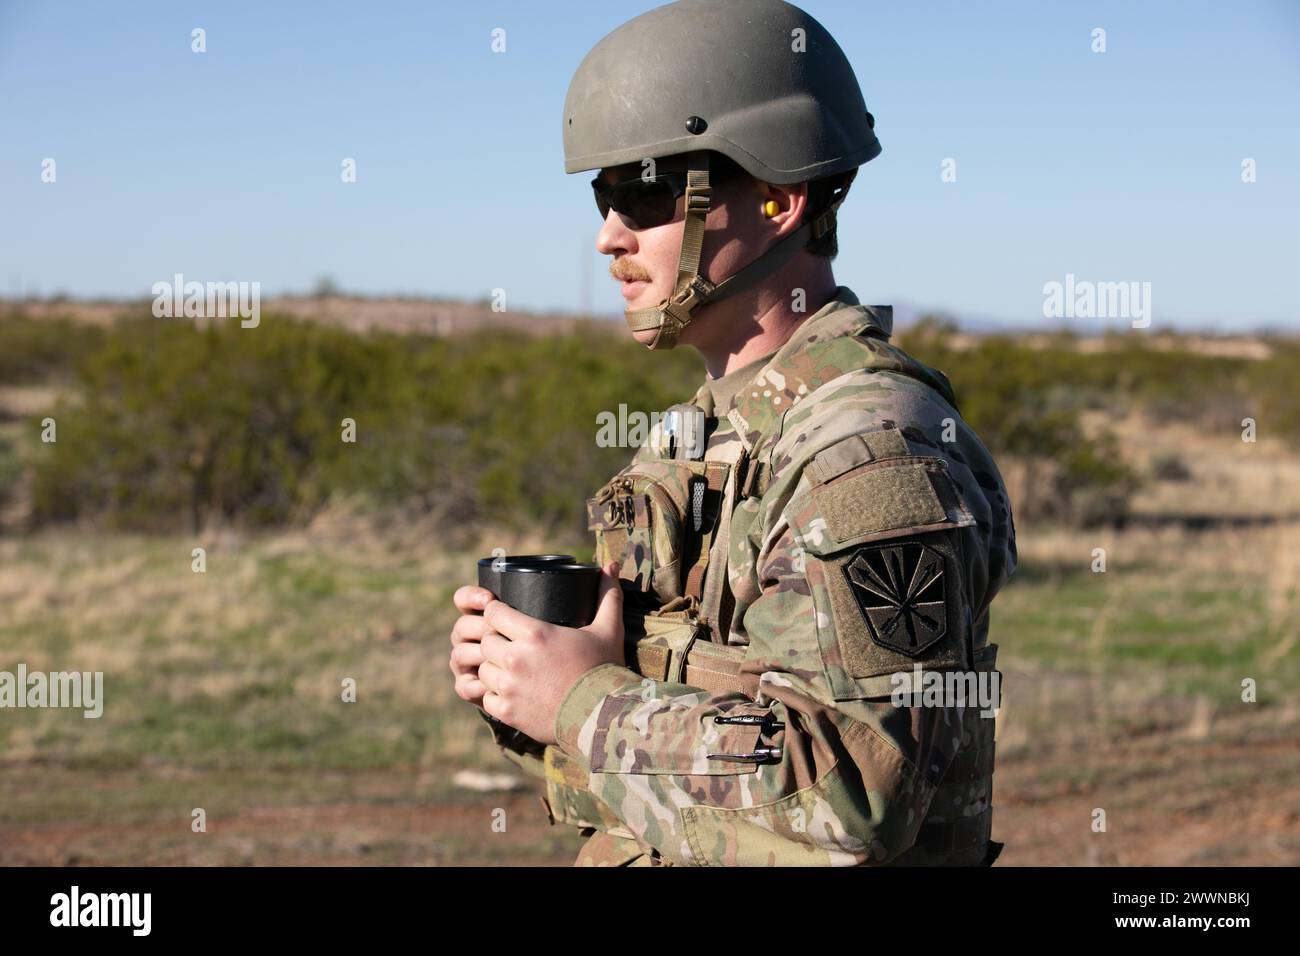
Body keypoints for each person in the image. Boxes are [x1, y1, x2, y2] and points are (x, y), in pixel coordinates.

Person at [448, 0, 1016, 866]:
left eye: (644, 192)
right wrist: (529, 683)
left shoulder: (866, 456)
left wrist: (581, 701)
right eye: (605, 196)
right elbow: (667, 765)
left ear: (781, 201)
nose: (609, 236)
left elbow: (853, 803)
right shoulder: (704, 437)